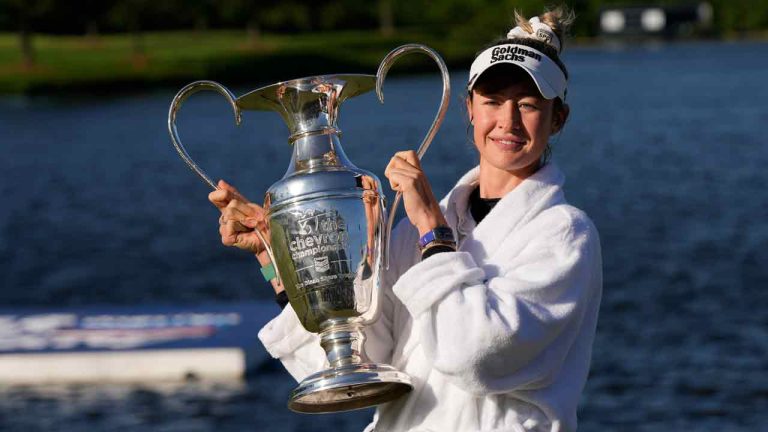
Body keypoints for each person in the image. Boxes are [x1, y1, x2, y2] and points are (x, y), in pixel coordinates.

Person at [209, 6, 602, 432]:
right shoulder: (412, 231)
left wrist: (434, 231)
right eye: (492, 101)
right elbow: (365, 366)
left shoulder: (563, 233)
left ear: (557, 118)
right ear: (469, 108)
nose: (506, 121)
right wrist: (283, 258)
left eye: (527, 105)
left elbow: (476, 357)